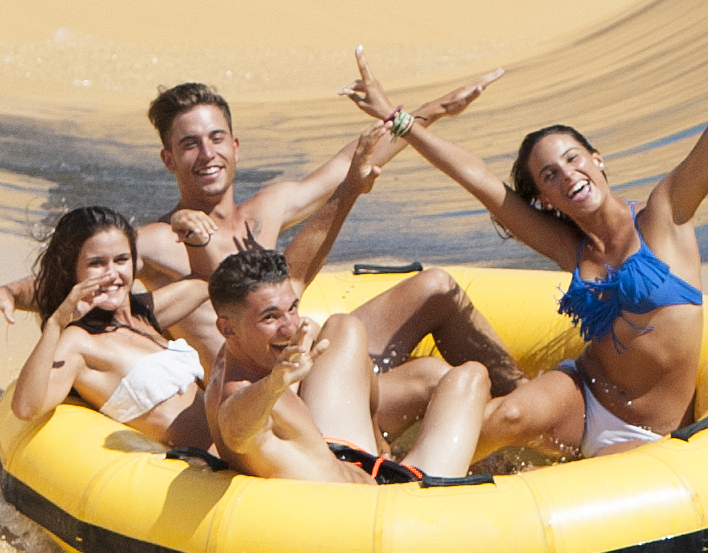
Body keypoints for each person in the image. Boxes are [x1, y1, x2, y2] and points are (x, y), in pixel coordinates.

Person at [346, 0, 708, 459]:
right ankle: (390, 483)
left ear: (597, 159)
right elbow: (477, 179)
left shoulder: (665, 215)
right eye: (550, 176)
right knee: (505, 418)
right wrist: (399, 118)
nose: (568, 175)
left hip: (647, 433)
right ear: (545, 198)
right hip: (582, 397)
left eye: (573, 159)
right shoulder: (572, 245)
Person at [0, 76, 452, 332]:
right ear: (169, 159)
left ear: (237, 146)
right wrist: (11, 292)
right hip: (234, 391)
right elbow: (85, 278)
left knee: (435, 290)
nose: (207, 154)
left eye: (217, 138)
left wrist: (431, 113)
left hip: (291, 352)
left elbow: (351, 161)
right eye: (190, 144)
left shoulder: (270, 206)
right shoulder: (156, 241)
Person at [204, 133, 495, 483]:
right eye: (270, 318)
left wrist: (350, 188)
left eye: (291, 310)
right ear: (227, 328)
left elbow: (302, 262)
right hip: (397, 499)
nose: (289, 327)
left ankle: (382, 444)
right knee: (472, 377)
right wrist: (276, 383)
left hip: (345, 451)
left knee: (343, 326)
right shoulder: (242, 396)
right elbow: (235, 427)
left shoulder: (240, 344)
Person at [5, 207, 216, 449]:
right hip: (205, 471)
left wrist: (191, 232)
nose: (112, 274)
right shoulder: (79, 341)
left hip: (236, 459)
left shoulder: (142, 316)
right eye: (96, 263)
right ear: (71, 270)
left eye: (121, 260)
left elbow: (207, 283)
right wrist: (55, 324)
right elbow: (25, 408)